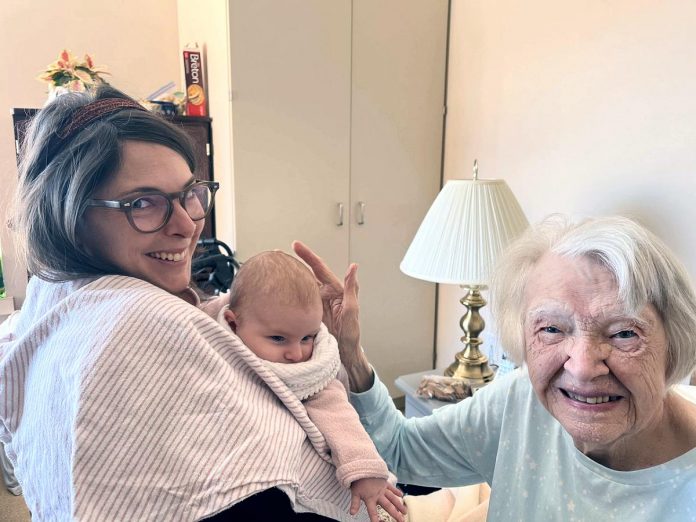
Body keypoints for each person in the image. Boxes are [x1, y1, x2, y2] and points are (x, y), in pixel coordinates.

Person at [0, 84, 403, 521]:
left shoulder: (55, 297)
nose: (187, 223)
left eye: (190, 193)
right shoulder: (139, 321)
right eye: (144, 203)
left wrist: (343, 351)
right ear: (70, 215)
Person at [294, 215, 696, 521]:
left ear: (674, 342)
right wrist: (349, 351)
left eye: (624, 333)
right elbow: (400, 450)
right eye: (552, 328)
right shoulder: (521, 401)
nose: (583, 367)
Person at [218, 249, 403, 521]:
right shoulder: (213, 337)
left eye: (307, 337)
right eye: (278, 339)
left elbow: (339, 416)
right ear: (234, 323)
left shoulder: (309, 371)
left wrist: (365, 470)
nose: (297, 353)